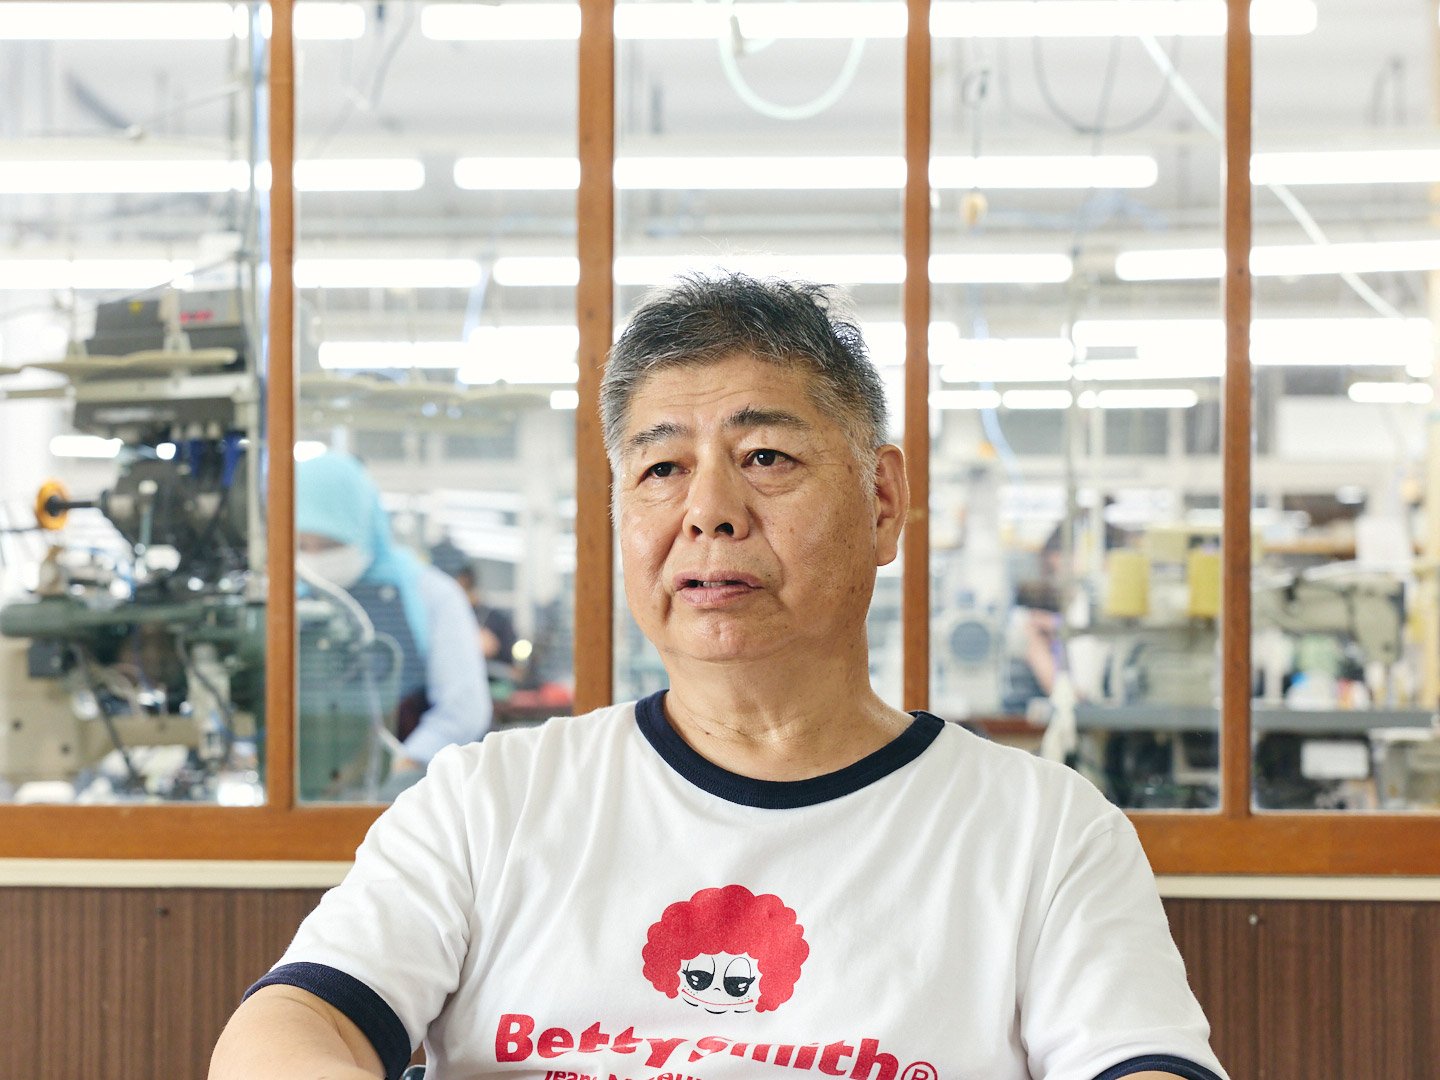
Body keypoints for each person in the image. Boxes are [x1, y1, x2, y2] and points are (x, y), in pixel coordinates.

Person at [212, 276, 1227, 1080]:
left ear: (881, 501)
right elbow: (291, 1027)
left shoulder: (1042, 834)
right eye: (661, 469)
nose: (709, 511)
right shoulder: (490, 805)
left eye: (767, 456)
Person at [294, 451, 491, 793]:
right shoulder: (292, 600)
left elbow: (464, 708)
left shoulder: (430, 595)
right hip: (302, 790)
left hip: (411, 791)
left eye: (330, 544)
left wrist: (407, 765)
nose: (315, 557)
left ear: (364, 526)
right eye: (301, 545)